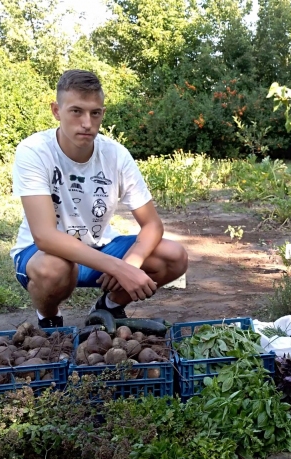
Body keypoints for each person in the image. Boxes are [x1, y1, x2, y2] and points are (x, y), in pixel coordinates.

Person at [10, 69, 188, 328]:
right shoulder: (34, 151)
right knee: (55, 268)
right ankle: (49, 318)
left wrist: (131, 262)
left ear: (102, 113)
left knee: (173, 255)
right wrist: (117, 268)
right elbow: (44, 236)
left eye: (95, 113)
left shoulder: (115, 154)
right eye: (76, 111)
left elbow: (153, 225)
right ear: (56, 111)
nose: (87, 122)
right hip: (43, 255)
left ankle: (109, 308)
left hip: (99, 247)